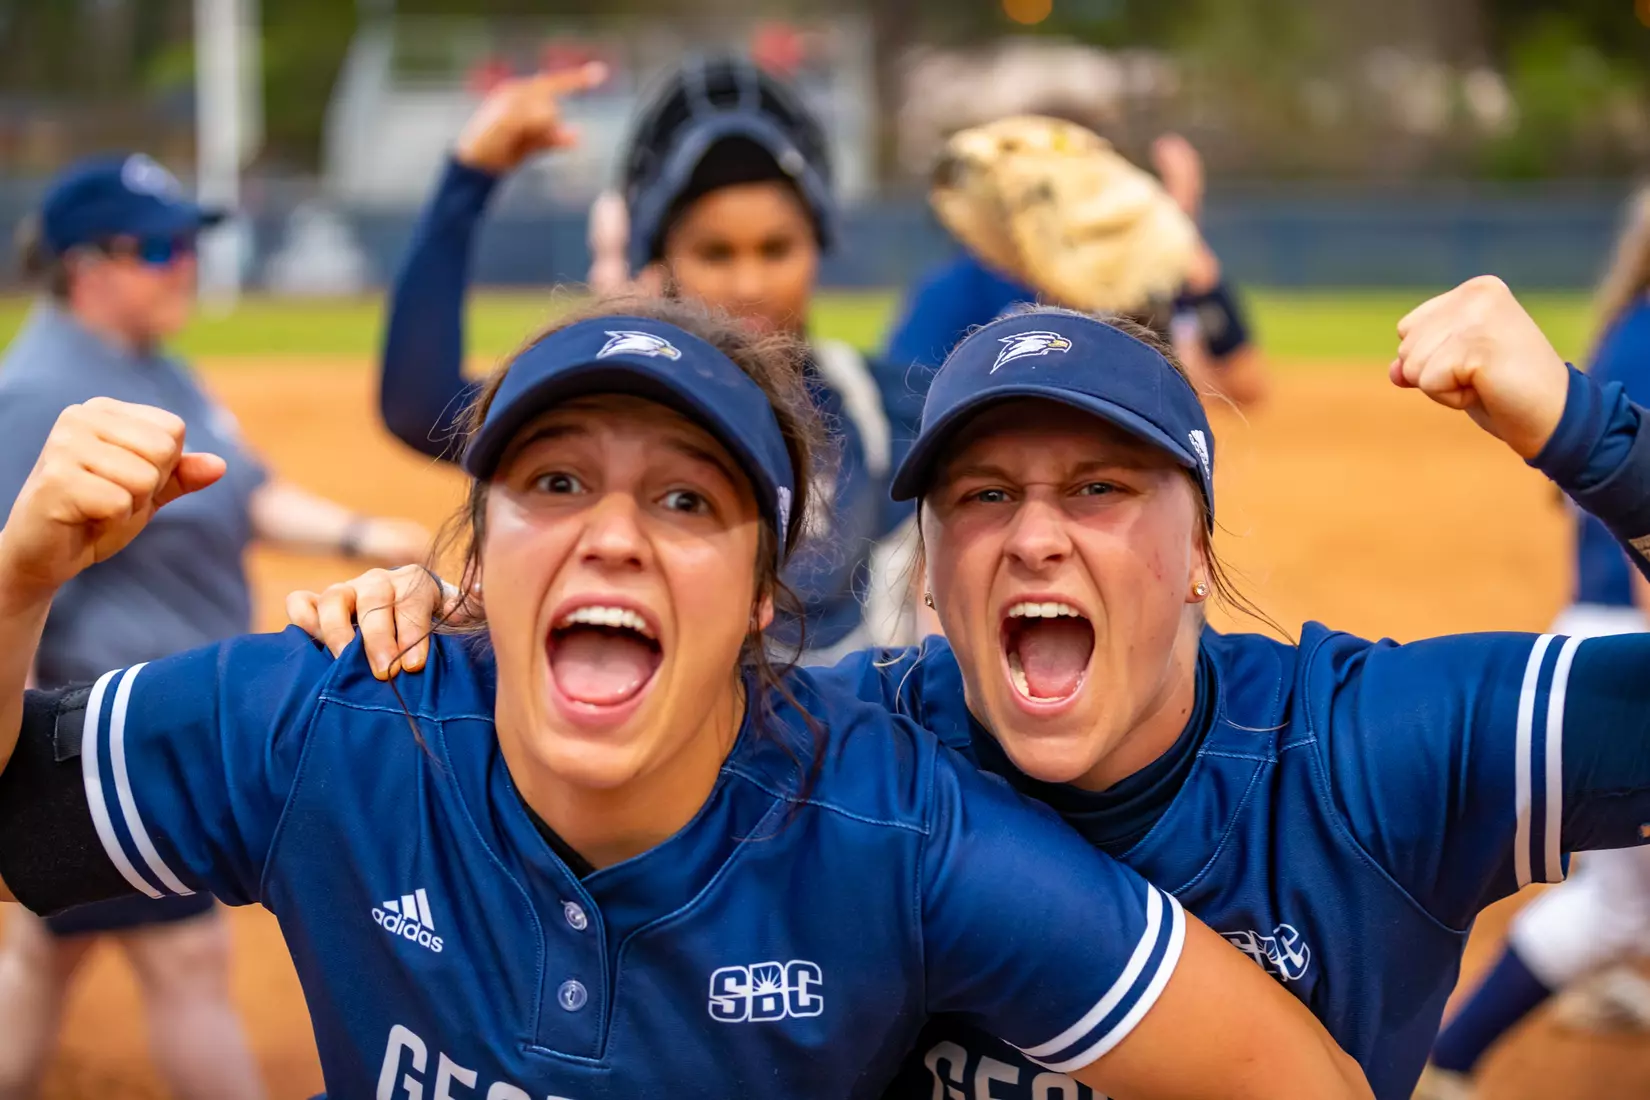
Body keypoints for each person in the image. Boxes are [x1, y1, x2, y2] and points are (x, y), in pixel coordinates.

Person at [309, 275, 1650, 1100]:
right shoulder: (847, 748)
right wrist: (451, 632)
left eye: (1101, 489)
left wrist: (1591, 437)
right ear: (936, 573)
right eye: (983, 496)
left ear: (1197, 555)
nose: (1034, 535)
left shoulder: (1370, 753)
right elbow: (623, 689)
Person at [0, 298, 1372, 1100]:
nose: (610, 535)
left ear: (764, 597)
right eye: (551, 483)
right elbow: (16, 814)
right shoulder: (330, 725)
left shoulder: (891, 835)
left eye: (681, 499)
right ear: (479, 563)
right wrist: (18, 581)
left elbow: (1280, 1079)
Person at [0, 152, 430, 1100]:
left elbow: (248, 489)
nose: (185, 265)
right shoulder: (36, 396)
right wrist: (28, 762)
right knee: (188, 968)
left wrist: (365, 533)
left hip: (159, 724)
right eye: (158, 248)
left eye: (189, 243)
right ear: (87, 266)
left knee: (42, 962)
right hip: (129, 743)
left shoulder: (156, 367)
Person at [378, 57, 927, 661]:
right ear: (660, 260)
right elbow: (419, 403)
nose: (750, 282)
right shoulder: (619, 416)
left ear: (818, 246)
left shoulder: (877, 410)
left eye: (777, 249)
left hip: (848, 741)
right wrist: (470, 175)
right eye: (714, 252)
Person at [1412, 187, 1650, 1100]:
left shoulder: (1627, 324)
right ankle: (1448, 1060)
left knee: (1626, 895)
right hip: (1632, 633)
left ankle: (1610, 993)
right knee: (1618, 904)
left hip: (1598, 625)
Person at [886, 130, 1269, 407]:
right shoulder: (960, 289)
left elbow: (1246, 385)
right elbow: (904, 404)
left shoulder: (1124, 283)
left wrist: (1190, 261)